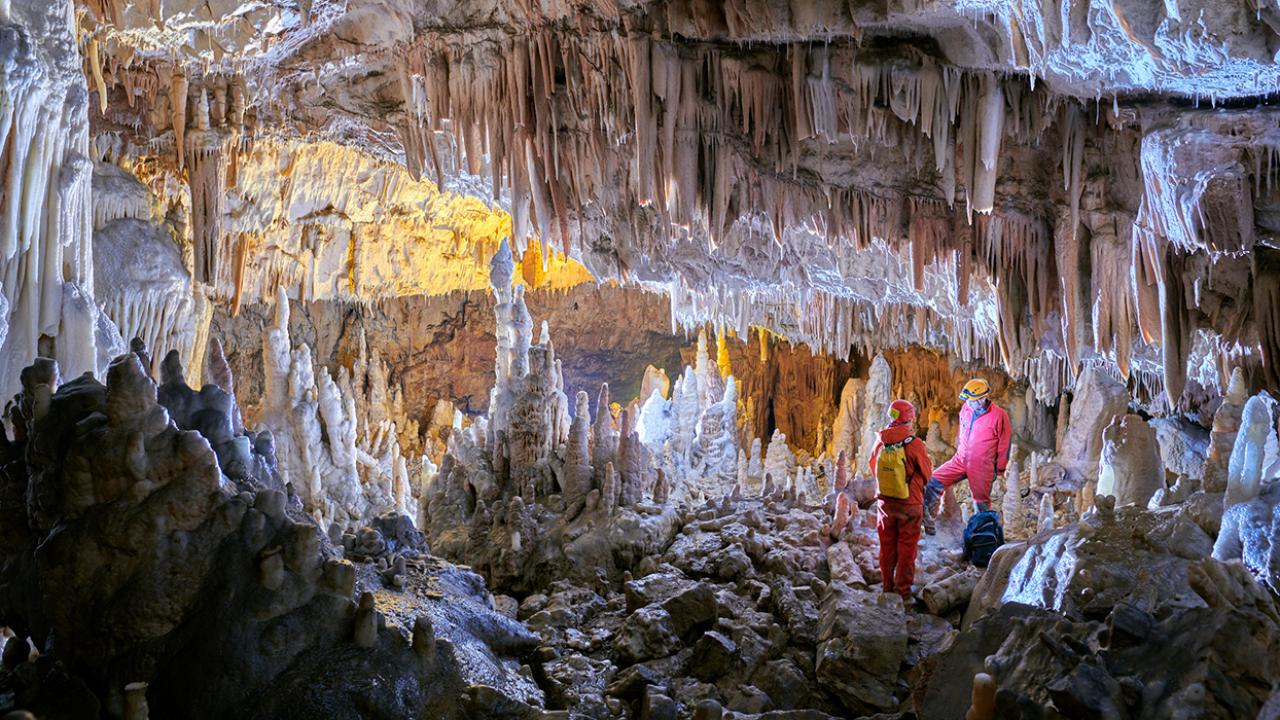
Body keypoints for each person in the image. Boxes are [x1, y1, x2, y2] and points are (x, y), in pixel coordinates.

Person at [922, 378, 1011, 535]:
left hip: (982, 465)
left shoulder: (999, 416)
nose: (969, 403)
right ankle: (927, 519)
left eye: (972, 400)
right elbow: (962, 432)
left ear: (983, 398)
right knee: (934, 481)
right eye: (968, 400)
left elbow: (1004, 444)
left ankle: (982, 537)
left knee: (980, 502)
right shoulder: (966, 409)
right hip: (960, 459)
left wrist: (1001, 469)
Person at [869, 399, 932, 600]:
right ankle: (903, 593)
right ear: (909, 419)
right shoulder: (914, 444)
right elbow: (927, 474)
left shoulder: (881, 440)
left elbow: (873, 467)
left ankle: (887, 588)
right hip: (910, 504)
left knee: (886, 546)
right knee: (907, 549)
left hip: (885, 503)